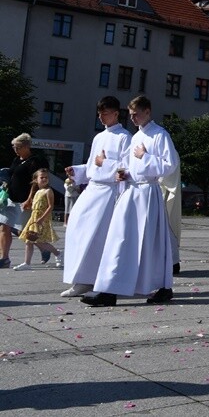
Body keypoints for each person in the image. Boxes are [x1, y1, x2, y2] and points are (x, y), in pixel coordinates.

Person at [83, 96, 177, 307]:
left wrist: (145, 157)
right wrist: (122, 173)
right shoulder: (136, 137)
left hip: (148, 193)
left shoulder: (160, 135)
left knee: (149, 243)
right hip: (132, 191)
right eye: (131, 114)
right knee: (120, 237)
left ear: (148, 112)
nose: (132, 118)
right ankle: (109, 288)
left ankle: (161, 287)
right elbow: (127, 163)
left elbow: (169, 165)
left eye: (136, 114)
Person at [61, 96, 131, 297]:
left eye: (105, 113)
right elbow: (93, 164)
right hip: (92, 189)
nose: (101, 117)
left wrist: (104, 165)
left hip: (108, 192)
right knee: (76, 229)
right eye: (99, 113)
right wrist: (77, 170)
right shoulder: (98, 137)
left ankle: (90, 279)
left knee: (96, 237)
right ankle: (80, 278)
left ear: (116, 113)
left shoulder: (124, 137)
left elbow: (125, 169)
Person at [1, 133, 49, 269]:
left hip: (25, 200)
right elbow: (11, 175)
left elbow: (36, 182)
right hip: (11, 198)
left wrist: (30, 199)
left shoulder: (36, 161)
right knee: (4, 226)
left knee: (26, 231)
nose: (15, 150)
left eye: (18, 147)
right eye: (14, 147)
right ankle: (4, 259)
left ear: (27, 146)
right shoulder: (17, 160)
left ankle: (48, 249)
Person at [13, 169, 63, 270]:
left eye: (46, 177)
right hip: (34, 218)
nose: (44, 179)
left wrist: (41, 219)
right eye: (42, 177)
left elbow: (50, 206)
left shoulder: (48, 191)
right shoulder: (37, 192)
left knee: (38, 241)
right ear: (36, 180)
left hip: (41, 219)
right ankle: (27, 263)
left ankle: (58, 253)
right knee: (29, 240)